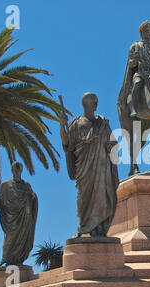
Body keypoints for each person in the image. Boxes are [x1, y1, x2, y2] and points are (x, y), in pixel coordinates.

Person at [60, 92, 119, 238]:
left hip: (102, 168)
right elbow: (67, 144)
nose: (96, 104)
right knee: (83, 199)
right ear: (86, 104)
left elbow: (112, 143)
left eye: (96, 102)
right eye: (93, 102)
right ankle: (83, 226)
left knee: (103, 197)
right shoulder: (76, 123)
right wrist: (62, 126)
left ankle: (98, 229)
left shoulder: (103, 123)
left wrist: (110, 147)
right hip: (84, 169)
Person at [0, 161, 38, 267]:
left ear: (21, 170)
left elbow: (33, 197)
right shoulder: (5, 185)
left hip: (24, 217)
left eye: (18, 168)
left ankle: (18, 259)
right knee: (9, 238)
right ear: (11, 170)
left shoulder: (26, 185)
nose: (16, 170)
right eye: (14, 168)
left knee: (22, 239)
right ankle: (5, 258)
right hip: (11, 217)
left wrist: (32, 197)